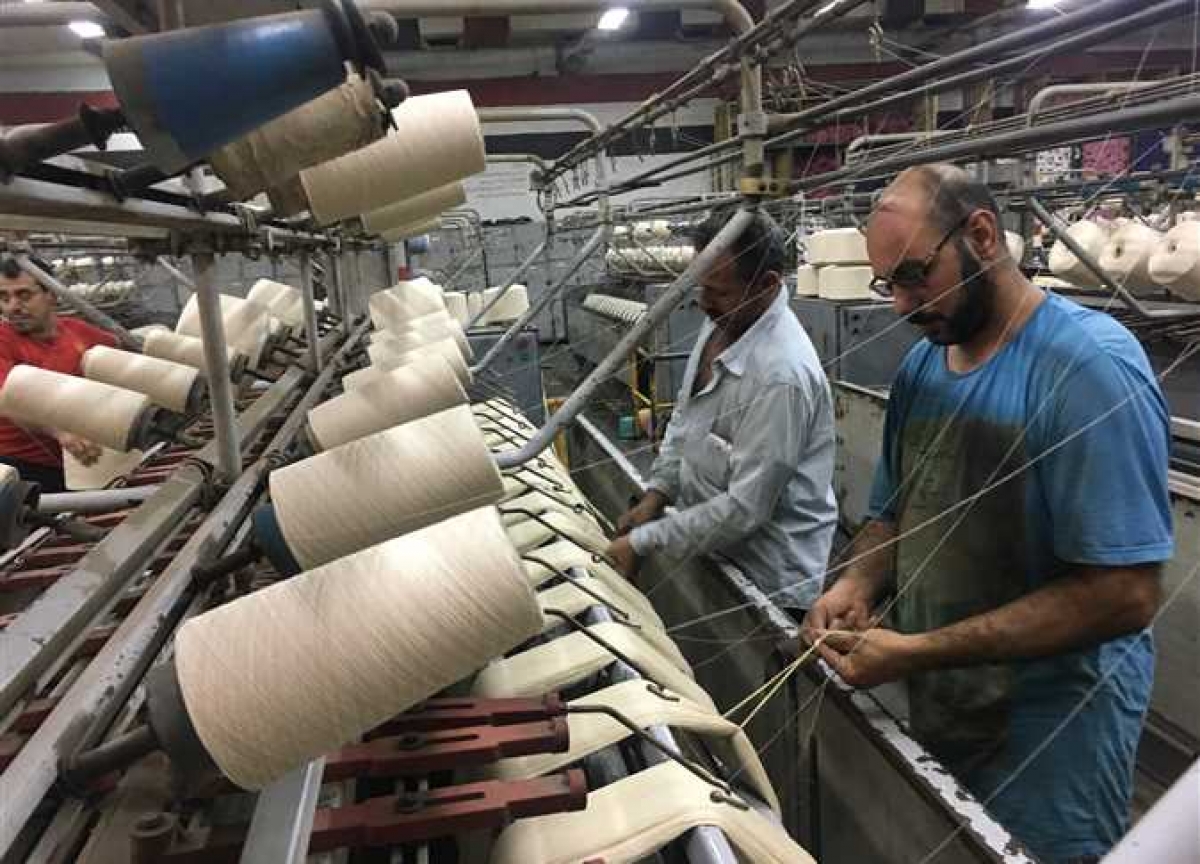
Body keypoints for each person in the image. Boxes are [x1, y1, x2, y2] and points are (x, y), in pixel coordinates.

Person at [803, 164, 1172, 864]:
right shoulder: (924, 368)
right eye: (888, 285)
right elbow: (891, 514)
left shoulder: (1085, 369)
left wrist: (916, 650)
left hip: (1051, 745)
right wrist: (856, 583)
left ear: (981, 236)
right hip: (945, 710)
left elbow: (1125, 594)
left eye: (916, 276)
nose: (902, 305)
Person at [604, 209, 838, 617]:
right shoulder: (724, 323)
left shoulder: (781, 377)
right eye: (702, 286)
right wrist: (657, 495)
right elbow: (686, 420)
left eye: (718, 291)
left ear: (767, 285)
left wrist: (644, 542)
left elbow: (745, 509)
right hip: (716, 549)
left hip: (769, 585)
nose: (703, 302)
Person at [0, 256, 114, 492]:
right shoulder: (3, 340)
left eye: (24, 295)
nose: (12, 307)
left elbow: (127, 358)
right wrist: (59, 431)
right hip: (19, 468)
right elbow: (6, 400)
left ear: (52, 294)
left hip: (79, 457)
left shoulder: (78, 332)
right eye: (4, 298)